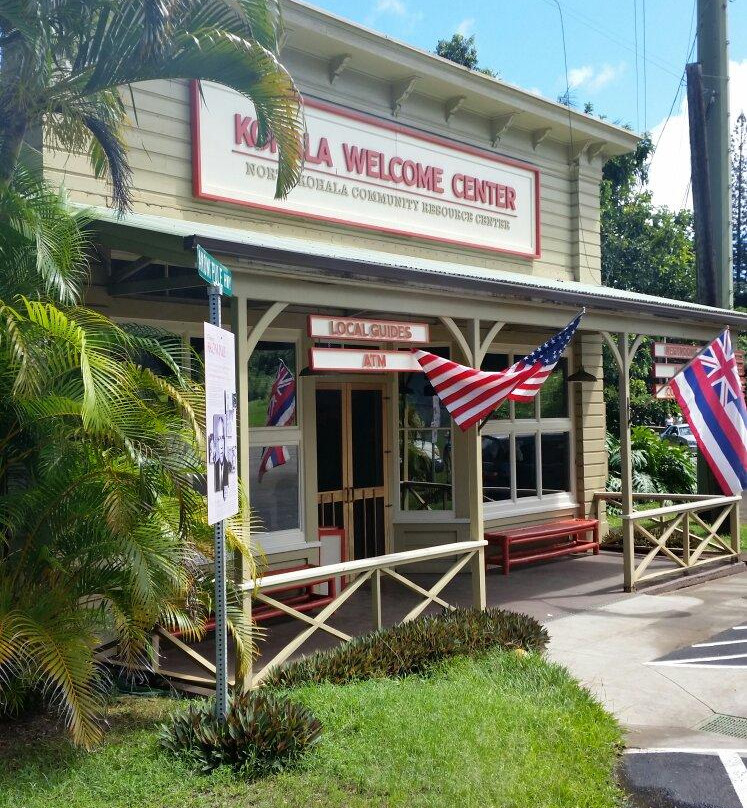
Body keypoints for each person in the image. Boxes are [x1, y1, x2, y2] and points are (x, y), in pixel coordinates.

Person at [213, 415, 230, 497]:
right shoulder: (213, 467)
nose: (221, 444)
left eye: (222, 437)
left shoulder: (229, 465)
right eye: (219, 438)